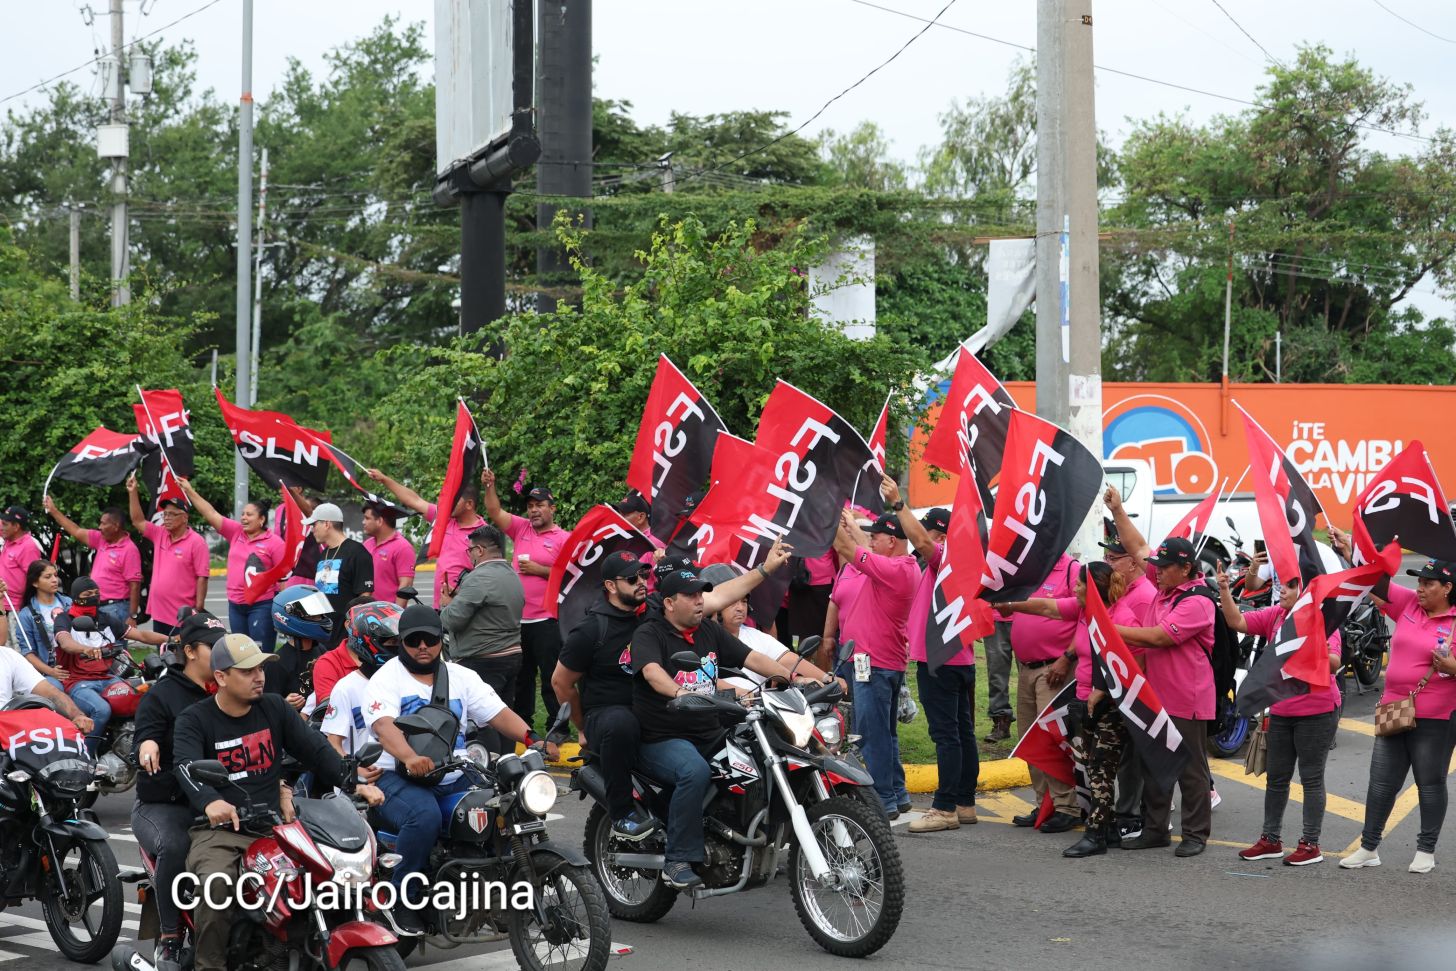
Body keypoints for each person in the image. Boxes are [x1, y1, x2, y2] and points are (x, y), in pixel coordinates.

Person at [552, 546, 792, 844]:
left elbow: (718, 596)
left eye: (642, 574)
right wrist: (582, 728)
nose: (640, 581)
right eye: (631, 578)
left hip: (664, 709)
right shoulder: (591, 630)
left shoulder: (655, 608)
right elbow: (561, 683)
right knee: (621, 723)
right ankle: (623, 813)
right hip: (614, 711)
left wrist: (765, 570)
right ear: (611, 586)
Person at [174, 634, 384, 971]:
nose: (259, 676)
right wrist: (210, 801)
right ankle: (208, 965)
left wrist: (354, 781)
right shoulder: (195, 719)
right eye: (247, 671)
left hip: (278, 828)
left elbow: (315, 750)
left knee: (332, 878)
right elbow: (185, 766)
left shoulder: (273, 707)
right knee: (215, 890)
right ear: (221, 677)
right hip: (222, 832)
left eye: (260, 668)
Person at [364, 604, 551, 933]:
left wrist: (531, 737)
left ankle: (504, 893)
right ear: (401, 642)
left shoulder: (462, 677)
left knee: (508, 806)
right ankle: (402, 901)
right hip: (397, 777)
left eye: (431, 639)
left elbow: (497, 713)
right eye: (414, 640)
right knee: (424, 817)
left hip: (454, 772)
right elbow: (384, 726)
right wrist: (409, 757)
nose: (423, 646)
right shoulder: (385, 680)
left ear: (441, 639)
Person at [631, 567, 798, 889]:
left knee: (757, 759)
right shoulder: (649, 633)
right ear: (668, 603)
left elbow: (753, 658)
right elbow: (652, 672)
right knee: (693, 771)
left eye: (701, 594)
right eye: (691, 595)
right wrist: (680, 693)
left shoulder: (708, 630)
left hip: (709, 732)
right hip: (662, 737)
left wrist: (793, 681)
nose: (699, 601)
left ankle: (738, 833)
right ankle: (677, 859)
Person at [998, 561, 1129, 856]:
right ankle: (1101, 826)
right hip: (1084, 699)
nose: (1075, 588)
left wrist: (1101, 689)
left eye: (1081, 585)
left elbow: (1133, 659)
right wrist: (1009, 604)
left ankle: (1091, 829)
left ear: (1094, 587)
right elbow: (1045, 607)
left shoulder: (1121, 615)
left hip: (1107, 704)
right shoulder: (1085, 609)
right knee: (1093, 766)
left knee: (1099, 769)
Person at [1337, 553, 1456, 874]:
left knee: (1429, 783)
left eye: (1427, 584)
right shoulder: (1409, 606)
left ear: (1447, 588)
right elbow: (1376, 582)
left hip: (1437, 716)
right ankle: (1369, 847)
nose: (1419, 588)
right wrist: (1352, 551)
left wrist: (1452, 667)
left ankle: (1425, 850)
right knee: (1381, 783)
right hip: (1394, 708)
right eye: (1418, 582)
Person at [1221, 570, 1342, 867]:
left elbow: (1336, 662)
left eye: (1290, 586)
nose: (1282, 591)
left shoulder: (1321, 619)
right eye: (1281, 585)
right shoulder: (1276, 616)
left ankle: (1310, 844)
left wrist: (1319, 647)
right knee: (1276, 779)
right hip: (1281, 710)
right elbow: (1237, 621)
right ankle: (1270, 840)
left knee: (1311, 779)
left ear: (1305, 592)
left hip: (1317, 709)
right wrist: (1224, 589)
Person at [879, 477, 979, 833]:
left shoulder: (947, 559)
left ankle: (945, 807)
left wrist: (898, 503)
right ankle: (964, 802)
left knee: (947, 735)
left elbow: (921, 541)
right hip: (960, 659)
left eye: (933, 536)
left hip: (941, 660)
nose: (927, 541)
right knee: (962, 731)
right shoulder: (967, 560)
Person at [1111, 533, 1216, 857]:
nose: (1155, 571)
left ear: (1185, 568)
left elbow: (1158, 637)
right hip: (1156, 696)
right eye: (1156, 566)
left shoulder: (1198, 601)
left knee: (1190, 769)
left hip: (1187, 697)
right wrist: (1116, 510)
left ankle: (1196, 834)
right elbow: (1138, 549)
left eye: (1164, 567)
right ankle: (1155, 830)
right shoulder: (1164, 590)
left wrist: (1109, 628)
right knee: (1153, 765)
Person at [132, 612, 225, 971]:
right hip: (164, 803)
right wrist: (148, 746)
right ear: (189, 651)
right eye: (213, 647)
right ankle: (170, 938)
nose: (222, 653)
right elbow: (146, 734)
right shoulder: (163, 694)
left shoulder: (232, 686)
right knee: (174, 844)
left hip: (219, 797)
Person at [823, 508, 919, 819]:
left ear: (892, 541)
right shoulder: (897, 564)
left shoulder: (897, 570)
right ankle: (896, 794)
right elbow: (861, 546)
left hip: (874, 664)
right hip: (874, 661)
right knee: (884, 733)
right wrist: (849, 523)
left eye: (876, 538)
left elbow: (848, 549)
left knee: (870, 733)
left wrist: (822, 512)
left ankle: (883, 802)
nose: (870, 542)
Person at [481, 471, 571, 727]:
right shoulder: (521, 529)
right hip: (518, 618)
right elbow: (494, 510)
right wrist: (490, 485)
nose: (534, 511)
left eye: (540, 505)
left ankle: (558, 726)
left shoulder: (563, 539)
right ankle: (523, 726)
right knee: (522, 676)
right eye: (530, 506)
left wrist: (539, 570)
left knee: (552, 676)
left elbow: (571, 577)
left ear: (552, 508)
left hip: (548, 618)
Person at [1005, 546, 1083, 834]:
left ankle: (1067, 806)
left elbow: (1083, 619)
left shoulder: (1071, 570)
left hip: (1054, 670)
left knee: (1053, 738)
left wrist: (1067, 657)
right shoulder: (1027, 570)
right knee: (1029, 738)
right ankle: (1044, 803)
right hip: (1026, 668)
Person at [1100, 494, 1159, 842]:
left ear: (1133, 563)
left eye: (1113, 558)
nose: (1108, 564)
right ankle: (1130, 810)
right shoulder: (1123, 591)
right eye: (1106, 557)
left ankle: (1132, 814)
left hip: (1138, 685)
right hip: (1124, 684)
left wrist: (1132, 688)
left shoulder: (1142, 594)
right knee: (1127, 754)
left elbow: (1144, 645)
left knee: (1135, 756)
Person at [53, 577, 168, 754]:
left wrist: (174, 639)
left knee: (141, 696)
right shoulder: (65, 619)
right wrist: (87, 649)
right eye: (87, 594)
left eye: (96, 593)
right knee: (101, 710)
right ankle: (86, 757)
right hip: (77, 682)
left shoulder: (106, 619)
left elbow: (142, 636)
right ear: (76, 597)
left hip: (107, 677)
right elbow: (66, 643)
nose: (93, 597)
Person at [440, 524, 525, 754]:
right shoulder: (512, 575)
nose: (469, 556)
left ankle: (492, 771)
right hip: (511, 655)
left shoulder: (478, 578)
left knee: (485, 720)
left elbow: (452, 620)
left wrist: (446, 605)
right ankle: (509, 768)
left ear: (479, 550)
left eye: (469, 551)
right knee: (506, 715)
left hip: (483, 659)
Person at [177, 478, 285, 652]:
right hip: (235, 606)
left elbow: (283, 578)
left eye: (249, 515)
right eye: (242, 514)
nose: (243, 518)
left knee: (260, 654)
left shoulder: (275, 543)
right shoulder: (236, 533)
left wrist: (282, 610)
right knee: (241, 653)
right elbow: (211, 513)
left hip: (261, 606)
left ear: (261, 519)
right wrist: (189, 490)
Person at [701, 562, 838, 692]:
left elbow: (788, 661)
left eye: (744, 601)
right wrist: (739, 692)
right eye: (732, 602)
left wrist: (826, 678)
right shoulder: (698, 637)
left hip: (755, 711)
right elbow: (700, 679)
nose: (740, 608)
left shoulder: (755, 636)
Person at [366, 468, 483, 608]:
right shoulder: (442, 518)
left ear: (469, 504)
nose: (448, 502)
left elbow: (486, 578)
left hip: (467, 609)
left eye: (455, 499)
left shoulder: (483, 532)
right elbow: (413, 500)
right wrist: (384, 479)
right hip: (440, 607)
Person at [126, 475, 209, 635]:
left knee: (181, 656)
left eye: (172, 514)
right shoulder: (160, 534)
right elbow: (138, 521)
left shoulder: (196, 542)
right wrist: (132, 492)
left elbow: (202, 577)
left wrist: (198, 609)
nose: (167, 518)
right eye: (165, 514)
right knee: (164, 655)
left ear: (185, 518)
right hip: (160, 612)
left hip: (182, 614)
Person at [320, 601, 402, 758]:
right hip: (364, 775)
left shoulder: (405, 681)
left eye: (400, 641)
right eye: (392, 642)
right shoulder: (346, 688)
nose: (398, 647)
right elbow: (333, 743)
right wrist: (355, 770)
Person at [44, 497, 142, 628]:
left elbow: (134, 585)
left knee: (114, 647)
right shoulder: (101, 539)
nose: (99, 527)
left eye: (103, 523)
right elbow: (76, 531)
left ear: (116, 526)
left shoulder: (129, 550)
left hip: (115, 608)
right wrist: (53, 510)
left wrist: (133, 616)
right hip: (97, 606)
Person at [301, 502, 374, 646]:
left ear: (327, 524)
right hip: (322, 633)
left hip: (346, 636)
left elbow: (365, 596)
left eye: (314, 525)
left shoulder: (358, 552)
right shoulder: (324, 553)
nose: (312, 529)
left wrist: (354, 630)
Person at [0, 617, 93, 730]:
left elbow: (49, 692)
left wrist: (77, 715)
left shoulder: (8, 656)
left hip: (6, 734)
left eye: (1, 614)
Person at [265, 584, 336, 713]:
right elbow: (267, 707)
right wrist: (284, 704)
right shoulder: (276, 663)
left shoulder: (321, 650)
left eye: (321, 614)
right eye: (314, 615)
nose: (321, 619)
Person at [14, 559, 71, 689]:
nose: (54, 580)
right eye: (48, 576)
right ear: (35, 582)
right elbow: (28, 653)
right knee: (57, 690)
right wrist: (51, 671)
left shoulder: (69, 603)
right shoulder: (26, 614)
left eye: (55, 575)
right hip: (49, 669)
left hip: (75, 664)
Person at [362, 500, 416, 606]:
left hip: (388, 616)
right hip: (366, 613)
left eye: (367, 518)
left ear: (380, 521)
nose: (363, 522)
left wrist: (395, 617)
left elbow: (405, 585)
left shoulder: (403, 547)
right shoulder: (366, 545)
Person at [0, 505, 42, 626]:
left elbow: (35, 580)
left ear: (16, 526)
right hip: (3, 604)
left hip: (15, 609)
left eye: (5, 524)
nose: (1, 527)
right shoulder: (9, 537)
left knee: (13, 645)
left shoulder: (28, 547)